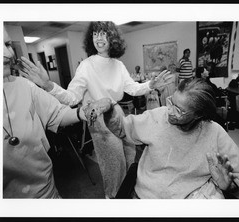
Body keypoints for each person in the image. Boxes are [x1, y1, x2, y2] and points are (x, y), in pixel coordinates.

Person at [18, 21, 173, 198]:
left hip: (117, 111)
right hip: (98, 117)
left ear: (112, 38)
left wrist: (151, 84)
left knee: (130, 154)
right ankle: (113, 198)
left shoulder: (118, 65)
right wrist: (48, 85)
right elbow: (72, 97)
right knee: (114, 165)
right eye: (95, 34)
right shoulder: (87, 65)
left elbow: (132, 88)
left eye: (103, 33)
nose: (98, 38)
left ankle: (127, 193)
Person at [88, 78, 239, 199]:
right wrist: (110, 108)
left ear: (199, 115)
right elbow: (121, 129)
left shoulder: (214, 132)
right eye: (170, 102)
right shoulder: (157, 116)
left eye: (179, 110)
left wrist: (231, 186)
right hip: (144, 197)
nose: (169, 111)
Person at [3, 26, 93, 198]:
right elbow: (72, 97)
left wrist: (84, 112)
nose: (8, 54)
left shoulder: (24, 85)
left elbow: (57, 114)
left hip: (47, 190)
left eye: (7, 44)